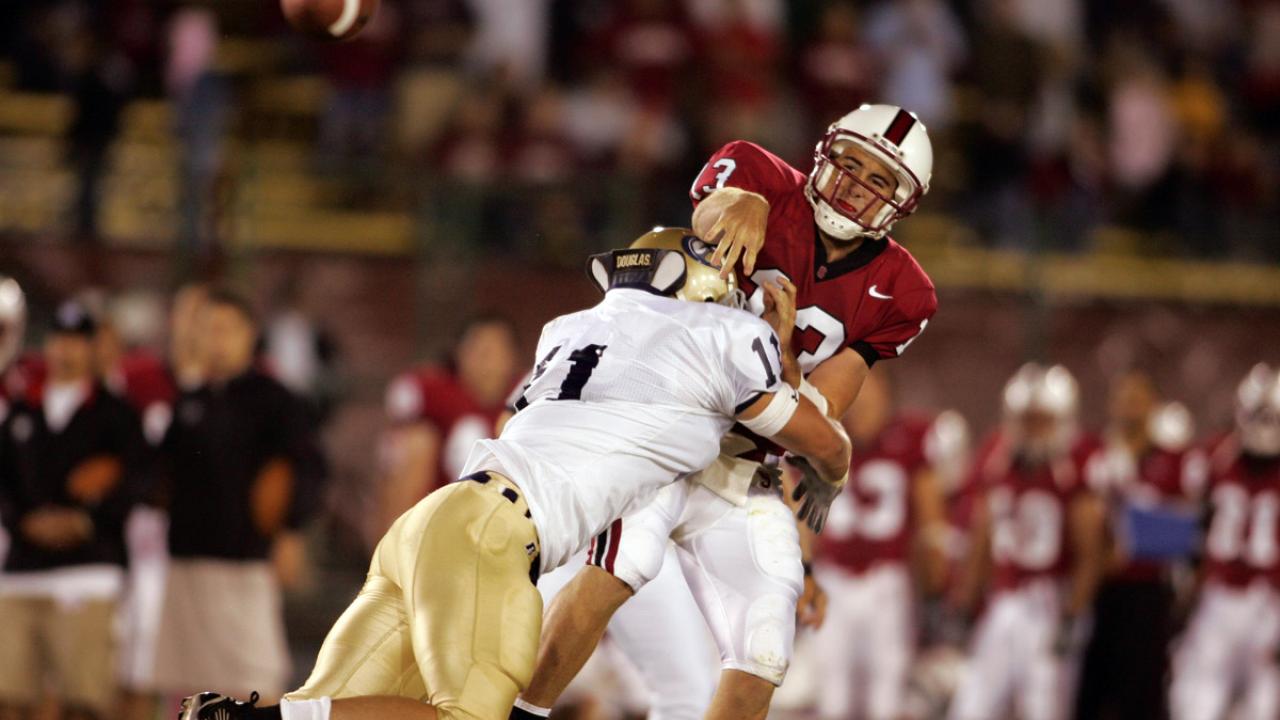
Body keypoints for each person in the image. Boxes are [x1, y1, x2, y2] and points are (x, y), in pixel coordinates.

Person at [177, 227, 852, 720]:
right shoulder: (724, 337)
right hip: (495, 537)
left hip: (433, 524)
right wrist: (830, 452)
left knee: (329, 710)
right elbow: (813, 438)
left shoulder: (569, 328)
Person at [516, 103, 937, 720]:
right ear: (824, 154)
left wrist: (787, 356)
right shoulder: (760, 173)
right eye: (849, 163)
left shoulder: (904, 289)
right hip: (673, 432)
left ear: (901, 205)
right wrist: (748, 202)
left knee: (766, 641)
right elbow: (700, 221)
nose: (853, 183)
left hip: (747, 467)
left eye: (878, 180)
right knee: (618, 566)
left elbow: (817, 414)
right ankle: (523, 711)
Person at [152, 290, 328, 702]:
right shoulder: (189, 399)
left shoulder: (275, 399)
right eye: (209, 330)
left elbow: (306, 469)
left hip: (246, 560)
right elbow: (162, 475)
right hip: (186, 559)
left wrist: (290, 530)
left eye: (226, 329)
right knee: (186, 690)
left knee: (254, 685)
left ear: (250, 335)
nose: (217, 340)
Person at [0, 300, 149, 720]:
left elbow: (139, 479)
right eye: (58, 340)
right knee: (9, 696)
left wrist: (85, 520)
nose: (65, 351)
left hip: (89, 570)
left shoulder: (117, 413)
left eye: (76, 342)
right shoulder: (22, 411)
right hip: (22, 571)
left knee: (83, 701)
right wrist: (25, 521)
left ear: (91, 348)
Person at [947, 363, 1107, 720]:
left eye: (1042, 420)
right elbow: (982, 537)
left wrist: (1074, 612)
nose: (1033, 429)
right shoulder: (997, 457)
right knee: (972, 704)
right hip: (1004, 600)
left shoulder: (1075, 464)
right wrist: (965, 599)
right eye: (1027, 419)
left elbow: (1091, 551)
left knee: (1044, 706)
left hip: (1051, 599)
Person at [809, 370, 949, 720]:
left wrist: (934, 584)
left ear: (886, 391)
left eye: (866, 390)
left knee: (885, 699)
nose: (859, 404)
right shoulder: (822, 434)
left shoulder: (911, 436)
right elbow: (803, 517)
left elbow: (931, 520)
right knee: (833, 698)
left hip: (888, 582)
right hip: (834, 582)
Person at [1074, 372, 1199, 720]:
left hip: (1147, 592)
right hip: (1097, 589)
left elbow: (1184, 535)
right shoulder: (1093, 454)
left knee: (1141, 694)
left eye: (1138, 399)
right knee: (1089, 691)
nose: (1130, 407)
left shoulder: (1174, 460)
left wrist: (1130, 538)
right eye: (1124, 398)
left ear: (1153, 407)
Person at [1169, 364, 1280, 720]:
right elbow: (1192, 526)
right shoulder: (1216, 457)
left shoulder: (1215, 455)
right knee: (1195, 696)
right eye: (1257, 415)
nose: (1263, 426)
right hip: (1219, 594)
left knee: (1264, 701)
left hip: (1270, 602)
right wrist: (1186, 584)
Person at [377, 314, 520, 538]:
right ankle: (395, 557)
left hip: (503, 519)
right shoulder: (433, 391)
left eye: (493, 353)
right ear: (459, 355)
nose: (486, 363)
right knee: (417, 442)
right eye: (478, 351)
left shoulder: (526, 395)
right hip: (437, 516)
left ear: (511, 358)